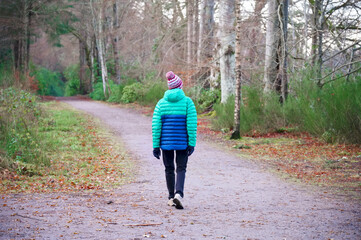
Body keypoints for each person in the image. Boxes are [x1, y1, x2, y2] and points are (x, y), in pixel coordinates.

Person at [152, 71, 197, 209]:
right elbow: (191, 124)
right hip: (183, 142)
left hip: (166, 143)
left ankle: (171, 197)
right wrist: (191, 143)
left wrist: (156, 145)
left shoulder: (161, 103)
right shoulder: (187, 102)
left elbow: (156, 126)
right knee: (181, 168)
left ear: (170, 87)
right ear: (180, 86)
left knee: (169, 168)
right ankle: (178, 194)